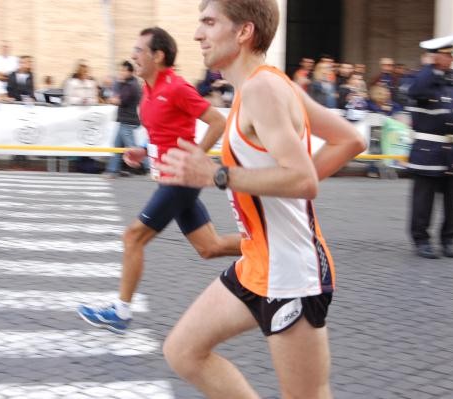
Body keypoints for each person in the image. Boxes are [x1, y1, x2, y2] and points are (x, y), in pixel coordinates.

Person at [156, 1, 365, 398]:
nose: (198, 34)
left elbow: (303, 179)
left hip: (291, 275)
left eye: (208, 23)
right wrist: (282, 190)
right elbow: (351, 139)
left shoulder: (264, 89)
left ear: (243, 32)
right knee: (183, 351)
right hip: (257, 263)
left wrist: (218, 175)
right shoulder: (263, 87)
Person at [77, 27, 242, 333]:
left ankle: (121, 312)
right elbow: (165, 135)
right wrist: (143, 151)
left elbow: (218, 121)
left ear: (158, 55)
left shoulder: (177, 87)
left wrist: (196, 155)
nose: (133, 56)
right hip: (167, 177)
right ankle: (271, 248)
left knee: (133, 237)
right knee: (210, 247)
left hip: (180, 180)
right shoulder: (148, 90)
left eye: (139, 50)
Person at [406, 35, 453, 259]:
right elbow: (416, 92)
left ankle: (448, 239)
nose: (452, 58)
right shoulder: (423, 78)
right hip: (429, 151)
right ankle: (421, 240)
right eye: (447, 55)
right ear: (435, 57)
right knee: (423, 201)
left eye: (452, 55)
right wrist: (431, 68)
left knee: (451, 201)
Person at [103, 60, 144, 178]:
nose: (120, 72)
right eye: (120, 70)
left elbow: (118, 101)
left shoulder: (132, 86)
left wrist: (112, 98)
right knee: (118, 146)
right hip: (124, 120)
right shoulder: (125, 83)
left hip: (128, 121)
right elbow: (115, 94)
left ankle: (145, 166)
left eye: (123, 70)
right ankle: (112, 171)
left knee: (131, 148)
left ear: (130, 72)